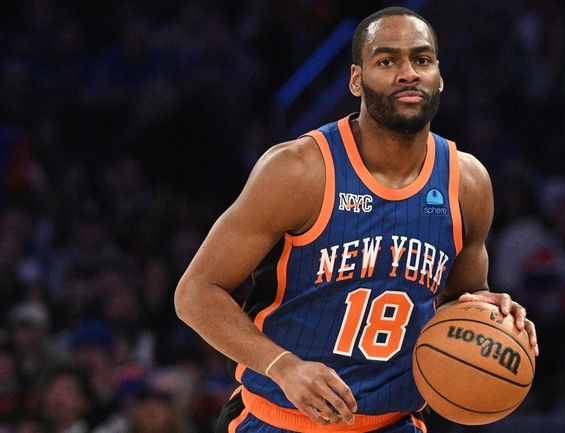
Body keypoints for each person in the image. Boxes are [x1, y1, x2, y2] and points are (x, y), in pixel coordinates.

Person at [174, 7, 539, 433]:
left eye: (421, 60)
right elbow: (196, 293)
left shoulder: (468, 183)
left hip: (395, 422)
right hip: (278, 421)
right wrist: (283, 367)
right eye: (387, 61)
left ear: (439, 76)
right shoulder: (299, 170)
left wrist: (488, 310)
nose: (408, 73)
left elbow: (463, 296)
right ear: (355, 80)